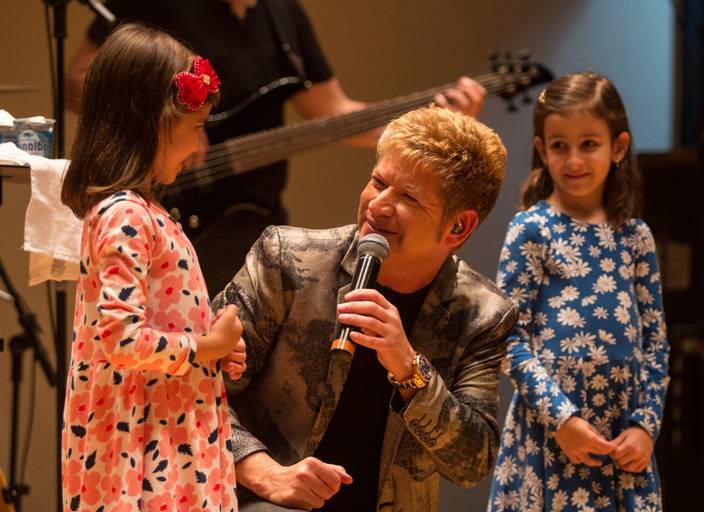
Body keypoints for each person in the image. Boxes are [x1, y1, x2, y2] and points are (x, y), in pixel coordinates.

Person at [64, 0, 487, 296]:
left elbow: (331, 115)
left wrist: (433, 123)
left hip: (254, 219)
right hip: (173, 210)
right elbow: (81, 80)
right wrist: (169, 118)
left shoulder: (282, 13)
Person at [211, 106, 517, 511]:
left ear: (458, 227)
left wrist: (410, 370)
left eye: (407, 196)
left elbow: (472, 464)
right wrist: (265, 473)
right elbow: (196, 386)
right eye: (378, 182)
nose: (378, 205)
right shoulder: (287, 259)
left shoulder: (482, 314)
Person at [60, 24, 248, 511]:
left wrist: (213, 351)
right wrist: (207, 346)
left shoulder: (146, 212)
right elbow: (121, 339)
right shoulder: (125, 215)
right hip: (140, 457)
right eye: (192, 129)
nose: (197, 147)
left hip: (165, 438)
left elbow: (162, 318)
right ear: (150, 125)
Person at [487, 72, 670, 512]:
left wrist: (645, 426)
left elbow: (656, 343)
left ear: (618, 147)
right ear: (541, 150)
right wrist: (562, 419)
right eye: (559, 146)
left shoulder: (634, 237)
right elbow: (509, 337)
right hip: (550, 439)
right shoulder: (532, 229)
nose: (574, 160)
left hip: (622, 442)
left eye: (589, 144)